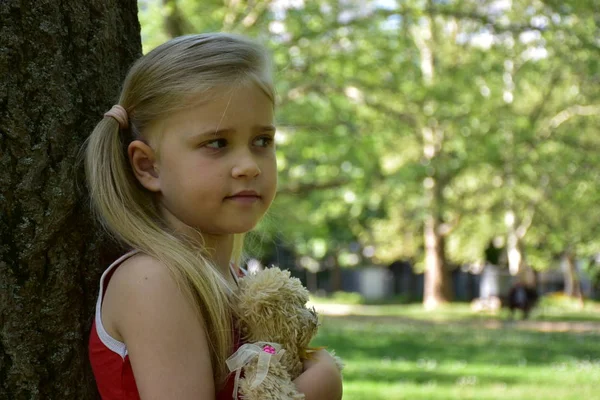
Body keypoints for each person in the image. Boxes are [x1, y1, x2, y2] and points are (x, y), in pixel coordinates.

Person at [85, 33, 343, 400]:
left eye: (262, 141)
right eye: (217, 143)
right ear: (148, 166)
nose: (249, 166)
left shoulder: (235, 281)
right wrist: (320, 388)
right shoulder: (154, 281)